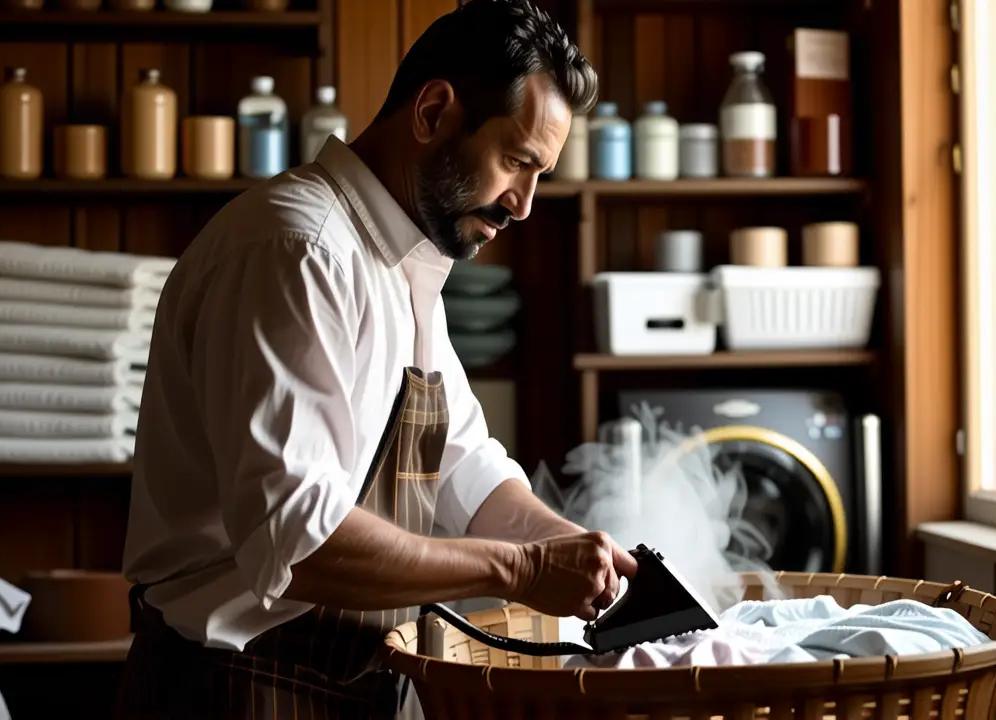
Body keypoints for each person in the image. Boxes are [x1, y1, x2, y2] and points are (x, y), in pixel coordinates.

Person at [113, 2, 636, 717]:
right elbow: (299, 538)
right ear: (433, 112)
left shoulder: (402, 259)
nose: (525, 204)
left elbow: (464, 467)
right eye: (516, 162)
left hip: (352, 684)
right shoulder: (299, 252)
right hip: (233, 687)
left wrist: (576, 549)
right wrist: (526, 568)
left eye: (540, 174)